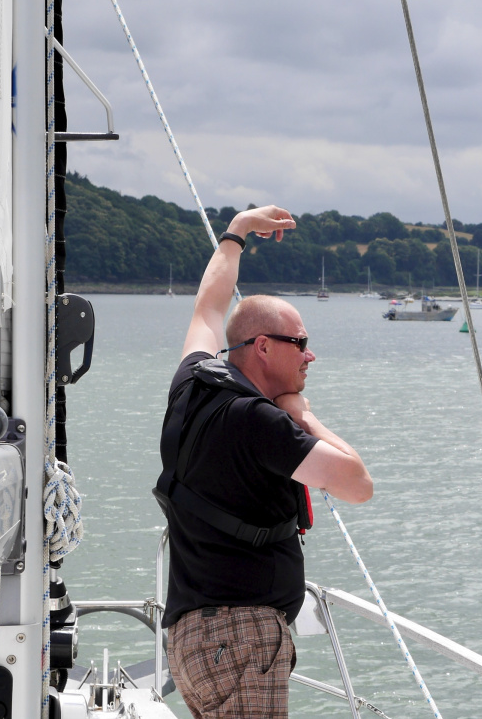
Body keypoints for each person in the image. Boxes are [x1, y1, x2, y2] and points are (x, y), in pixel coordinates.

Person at [157, 204, 372, 719]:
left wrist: (236, 233)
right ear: (261, 347)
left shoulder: (192, 382)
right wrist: (303, 415)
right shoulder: (259, 422)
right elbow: (357, 483)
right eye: (300, 343)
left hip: (191, 639)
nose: (309, 355)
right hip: (241, 637)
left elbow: (208, 309)